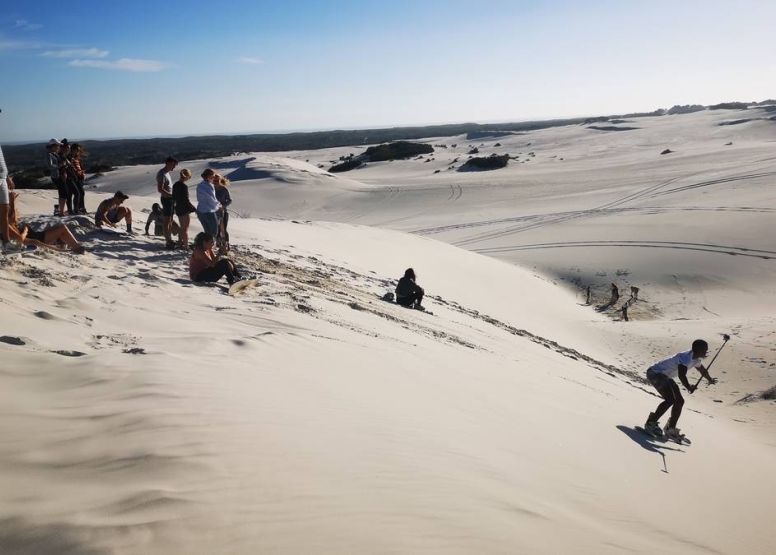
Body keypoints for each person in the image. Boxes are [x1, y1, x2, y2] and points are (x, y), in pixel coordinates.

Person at [644, 339, 717, 440]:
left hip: (665, 376)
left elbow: (702, 370)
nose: (706, 351)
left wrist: (710, 379)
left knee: (680, 401)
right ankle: (650, 423)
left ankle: (671, 428)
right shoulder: (686, 357)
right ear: (698, 349)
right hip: (655, 373)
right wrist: (688, 387)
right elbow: (681, 375)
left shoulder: (696, 359)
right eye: (705, 349)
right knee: (670, 399)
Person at [7, 192, 85, 254]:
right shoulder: (6, 225)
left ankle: (69, 246)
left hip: (35, 235)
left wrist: (12, 202)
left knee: (57, 227)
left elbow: (13, 219)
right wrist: (25, 230)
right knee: (62, 229)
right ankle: (77, 247)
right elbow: (20, 239)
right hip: (35, 238)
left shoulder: (7, 222)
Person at [1, 139, 21, 253]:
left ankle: (6, 242)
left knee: (5, 209)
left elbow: (1, 160)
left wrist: (8, 178)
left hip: (2, 177)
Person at [157, 156, 178, 248]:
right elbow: (160, 189)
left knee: (170, 221)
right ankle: (168, 241)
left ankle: (169, 239)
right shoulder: (162, 173)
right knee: (167, 221)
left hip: (169, 199)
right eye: (173, 165)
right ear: (168, 163)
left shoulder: (167, 173)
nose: (174, 167)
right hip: (166, 199)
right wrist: (171, 196)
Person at [172, 168, 196, 249]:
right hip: (184, 208)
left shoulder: (175, 185)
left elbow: (174, 197)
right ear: (187, 177)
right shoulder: (184, 186)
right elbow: (186, 199)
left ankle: (180, 243)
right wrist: (193, 208)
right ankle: (186, 245)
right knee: (185, 228)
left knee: (182, 227)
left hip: (178, 207)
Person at [46, 139, 69, 216]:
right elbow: (50, 166)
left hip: (61, 175)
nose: (59, 147)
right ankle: (61, 212)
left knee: (62, 193)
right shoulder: (50, 154)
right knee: (64, 193)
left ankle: (60, 211)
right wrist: (60, 165)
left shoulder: (55, 153)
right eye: (58, 145)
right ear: (54, 146)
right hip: (56, 176)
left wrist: (64, 165)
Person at [196, 169, 221, 238]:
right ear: (208, 176)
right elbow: (211, 199)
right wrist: (219, 206)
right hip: (209, 211)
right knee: (213, 233)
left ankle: (206, 247)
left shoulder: (199, 185)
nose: (214, 177)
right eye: (213, 175)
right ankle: (209, 247)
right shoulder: (210, 186)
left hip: (200, 211)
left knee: (207, 232)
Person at [68, 143, 88, 214]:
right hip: (74, 177)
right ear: (72, 150)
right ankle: (78, 208)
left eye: (78, 150)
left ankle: (81, 208)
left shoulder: (76, 158)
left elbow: (80, 167)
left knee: (81, 193)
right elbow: (71, 168)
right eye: (76, 150)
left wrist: (83, 173)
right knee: (79, 193)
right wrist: (77, 173)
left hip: (79, 177)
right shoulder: (69, 158)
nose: (77, 152)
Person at [215, 174, 232, 251]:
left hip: (223, 212)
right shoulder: (211, 189)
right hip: (214, 212)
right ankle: (218, 245)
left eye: (217, 180)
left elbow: (230, 200)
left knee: (223, 230)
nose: (215, 181)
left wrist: (222, 206)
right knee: (216, 230)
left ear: (220, 180)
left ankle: (226, 246)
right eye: (214, 180)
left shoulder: (224, 189)